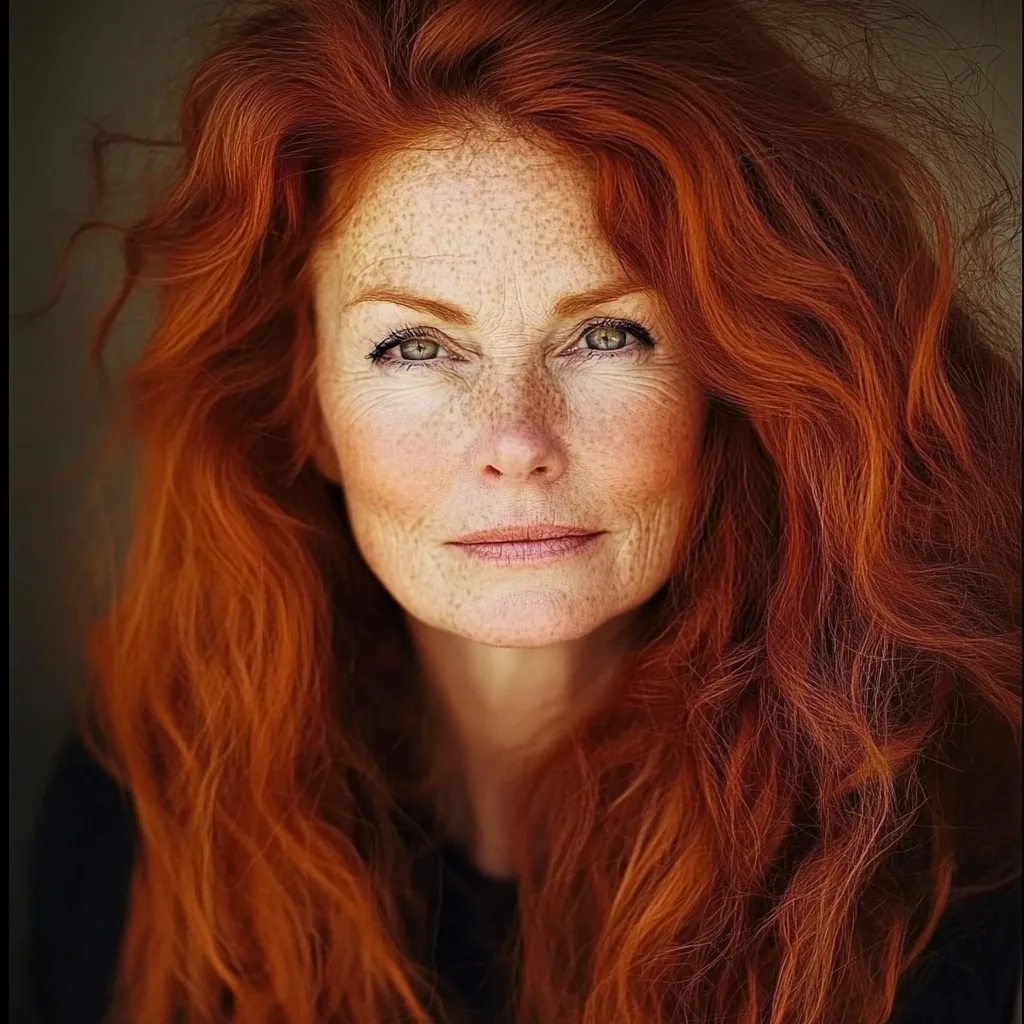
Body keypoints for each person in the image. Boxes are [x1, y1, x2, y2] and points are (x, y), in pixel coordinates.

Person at [26, 0, 1022, 1021]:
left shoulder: (945, 858)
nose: (516, 440)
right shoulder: (140, 808)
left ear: (728, 379)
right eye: (414, 346)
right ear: (309, 406)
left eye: (607, 334)